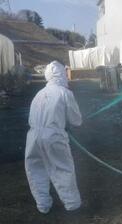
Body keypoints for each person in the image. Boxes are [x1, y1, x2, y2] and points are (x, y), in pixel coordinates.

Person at [25, 61, 82, 214]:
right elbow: (76, 120)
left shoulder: (39, 93)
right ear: (63, 74)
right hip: (53, 136)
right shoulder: (64, 92)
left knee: (35, 169)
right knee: (62, 168)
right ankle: (72, 204)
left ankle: (43, 205)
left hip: (32, 137)